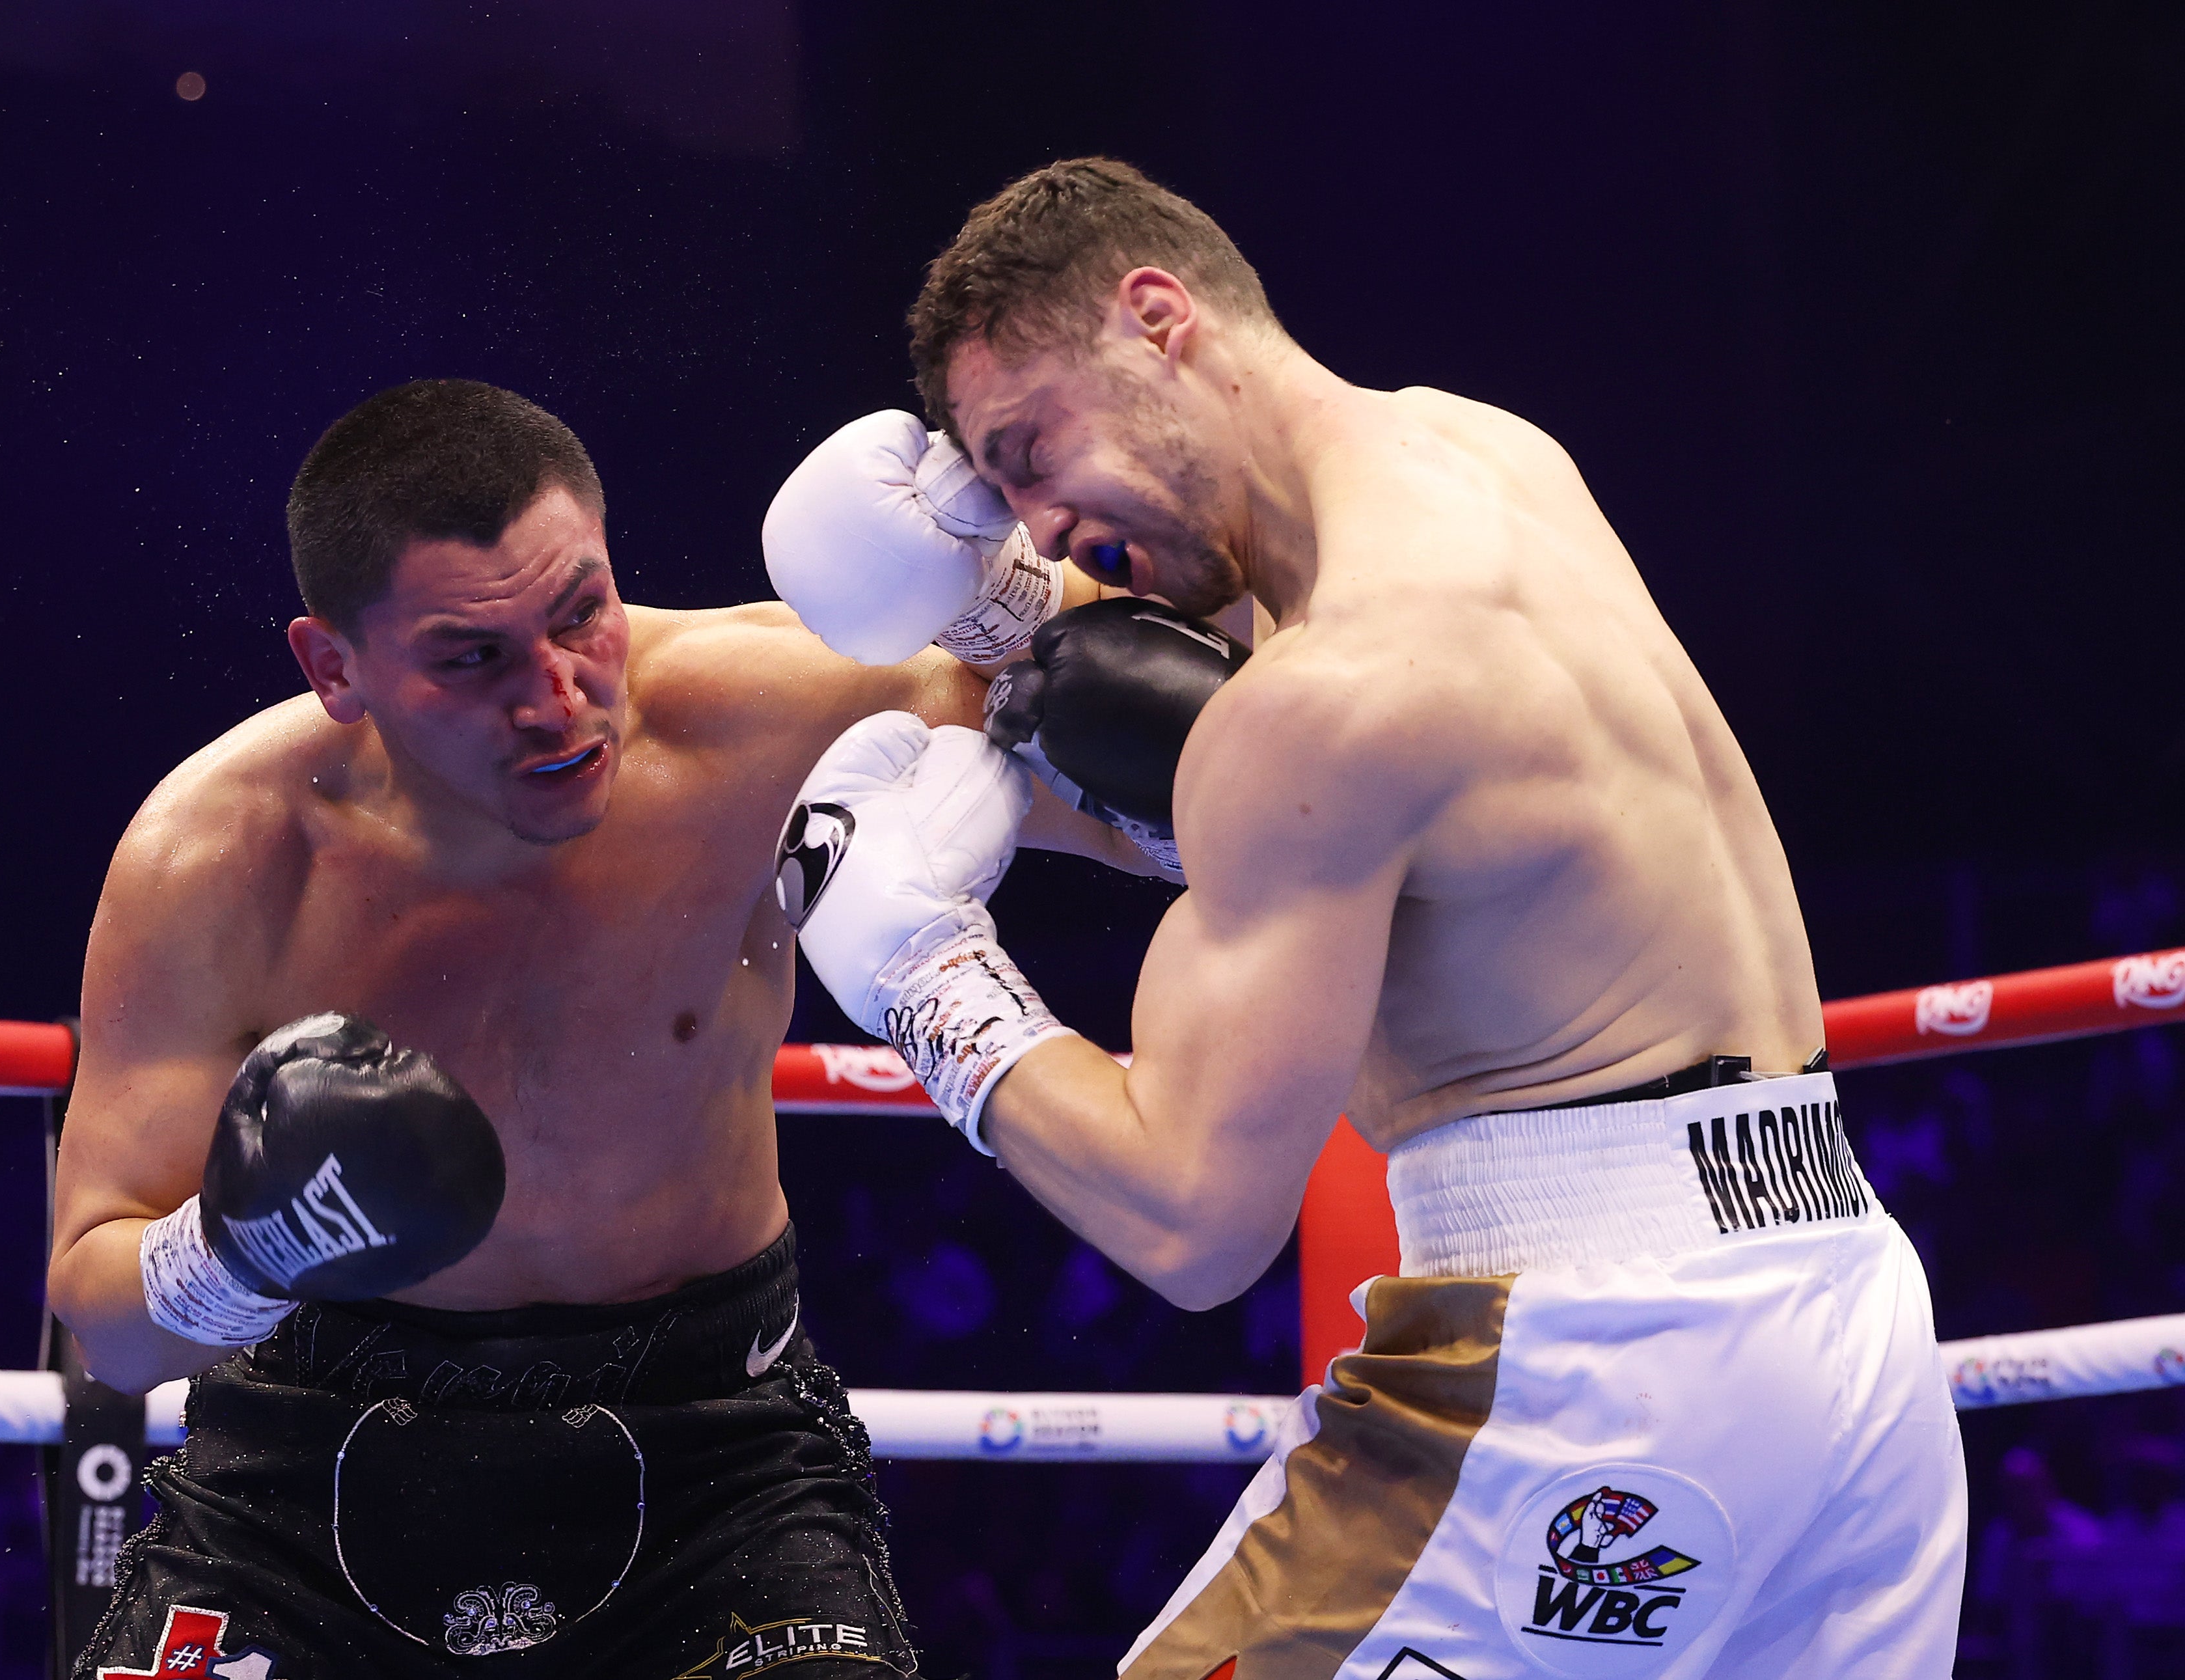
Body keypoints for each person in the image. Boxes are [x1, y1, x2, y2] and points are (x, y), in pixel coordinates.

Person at [770, 159, 1968, 1677]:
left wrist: (924, 975)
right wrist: (999, 614)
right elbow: (1317, 816)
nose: (1046, 527)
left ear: (1156, 320)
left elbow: (1189, 1217)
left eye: (1029, 456)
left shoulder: (1326, 703)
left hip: (1597, 1370)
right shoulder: (1481, 453)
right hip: (1844, 1321)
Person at [45, 378, 1153, 1679]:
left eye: (582, 613)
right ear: (334, 666)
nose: (559, 695)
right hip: (307, 1465)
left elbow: (1174, 789)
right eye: (474, 658)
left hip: (715, 1454)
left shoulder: (760, 718)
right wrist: (247, 1241)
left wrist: (1005, 587)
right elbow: (107, 1323)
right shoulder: (216, 860)